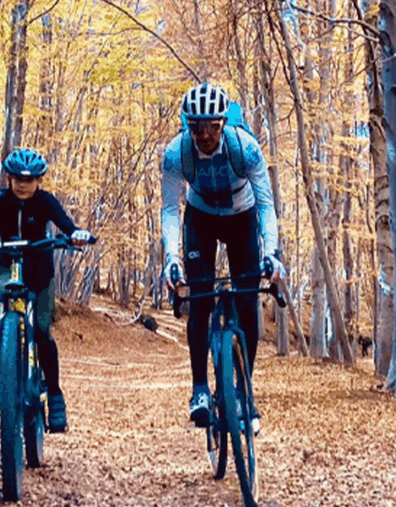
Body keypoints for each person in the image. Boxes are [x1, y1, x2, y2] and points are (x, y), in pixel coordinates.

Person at [161, 82, 285, 434]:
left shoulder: (245, 148)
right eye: (197, 126)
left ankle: (244, 393)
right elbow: (170, 209)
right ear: (188, 124)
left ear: (223, 123)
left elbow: (265, 205)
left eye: (212, 126)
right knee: (199, 299)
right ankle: (200, 389)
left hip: (242, 218)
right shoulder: (175, 153)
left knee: (247, 301)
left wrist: (272, 254)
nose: (204, 135)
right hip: (199, 219)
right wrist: (172, 257)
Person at [0, 148, 92, 433]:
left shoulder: (46, 202)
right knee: (3, 305)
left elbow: (66, 224)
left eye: (30, 180)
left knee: (42, 330)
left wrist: (75, 235)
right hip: (9, 267)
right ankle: (2, 358)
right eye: (18, 179)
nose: (23, 185)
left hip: (40, 272)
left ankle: (56, 395)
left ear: (39, 181)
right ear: (8, 178)